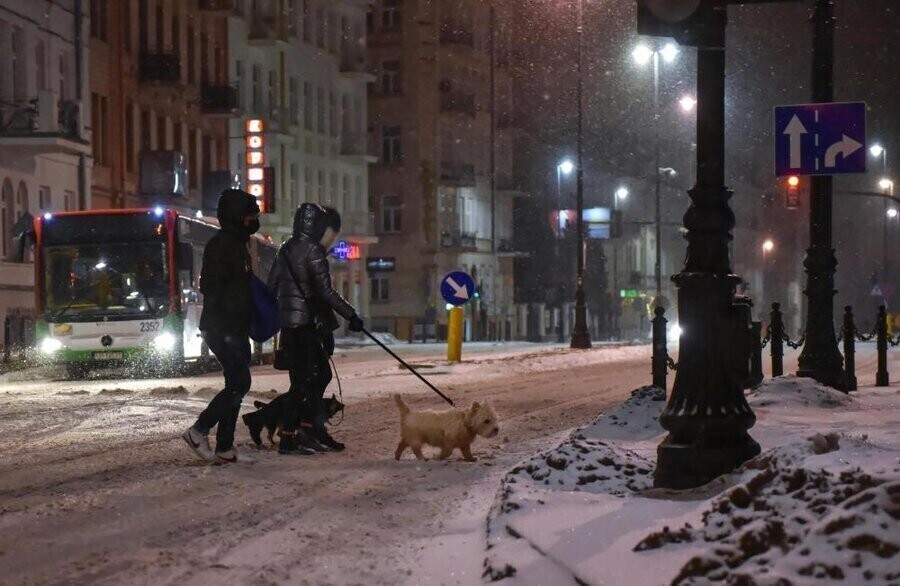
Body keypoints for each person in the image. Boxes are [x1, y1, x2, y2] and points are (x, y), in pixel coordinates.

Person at [251, 203, 363, 455]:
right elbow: (326, 292)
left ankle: (307, 428)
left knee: (303, 380)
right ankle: (294, 435)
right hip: (307, 326)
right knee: (313, 378)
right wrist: (351, 314)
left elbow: (272, 285)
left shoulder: (285, 249)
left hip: (289, 327)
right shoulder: (313, 251)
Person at [182, 189, 261, 463]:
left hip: (230, 325)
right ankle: (198, 430)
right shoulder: (223, 245)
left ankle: (225, 447)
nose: (254, 220)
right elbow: (212, 286)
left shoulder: (235, 244)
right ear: (239, 217)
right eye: (251, 216)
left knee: (235, 383)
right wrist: (237, 307)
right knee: (240, 382)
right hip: (222, 326)